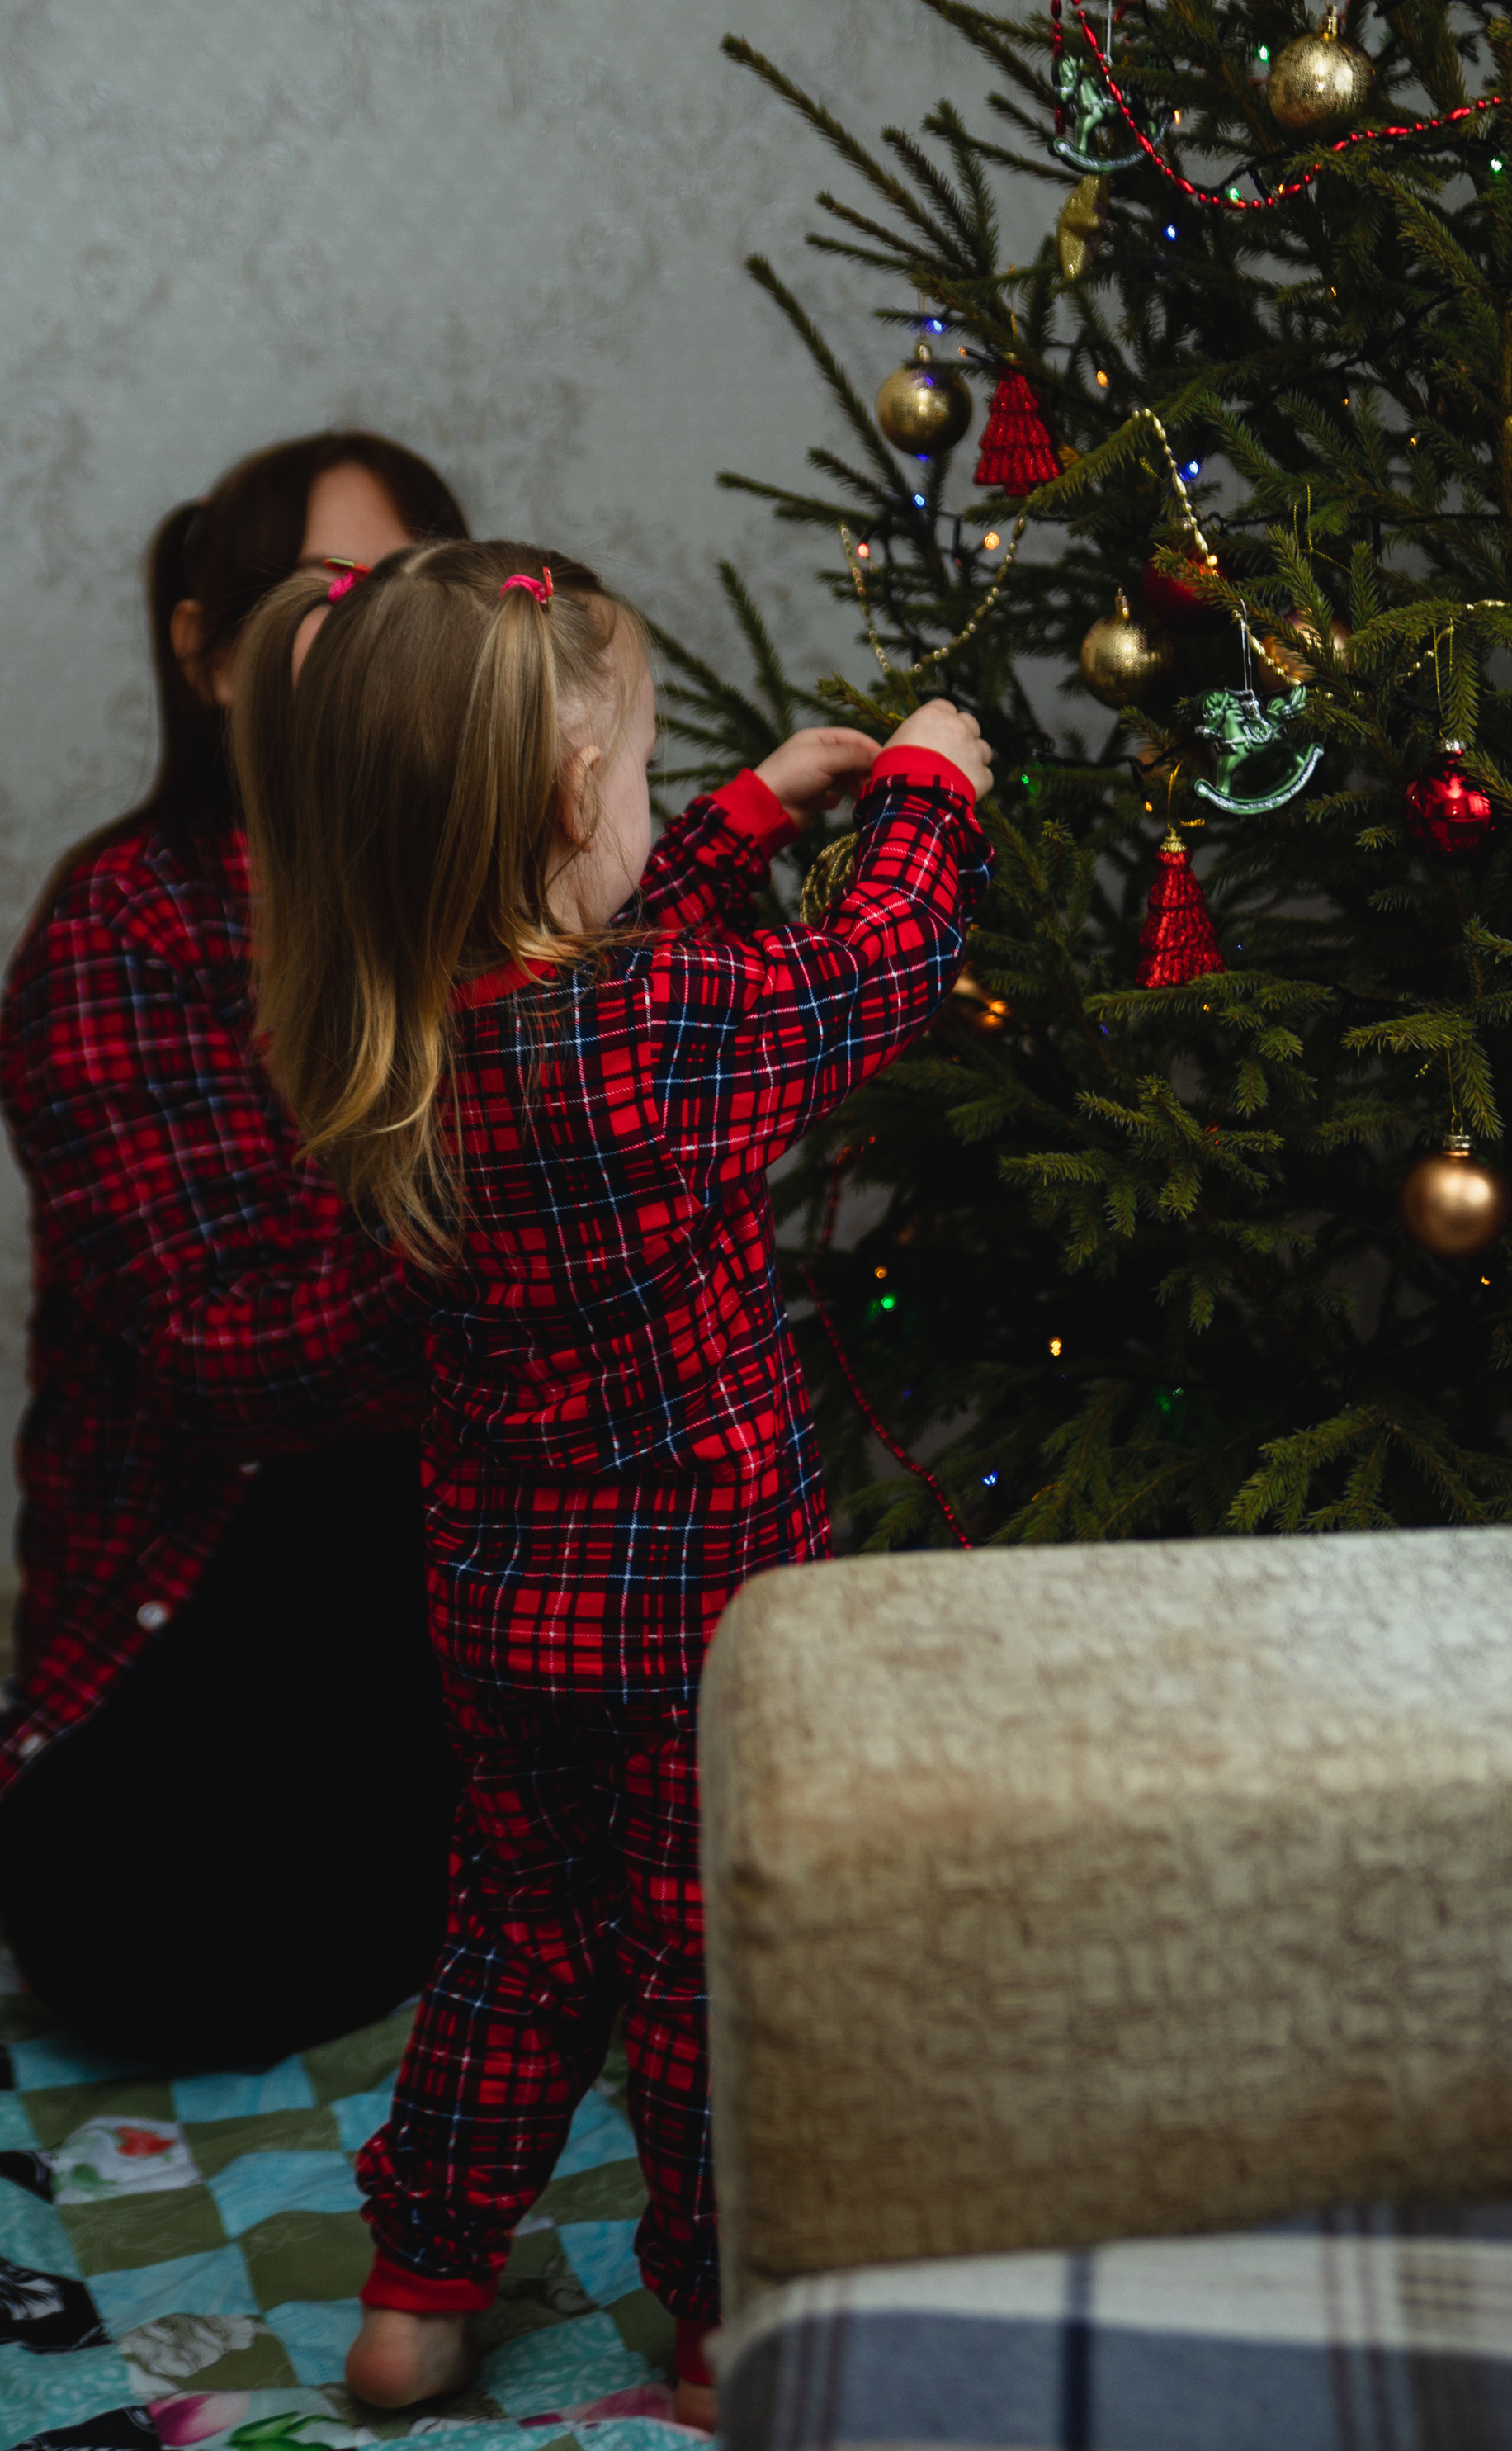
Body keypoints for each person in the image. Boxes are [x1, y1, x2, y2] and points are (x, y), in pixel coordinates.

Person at [230, 536, 993, 2420]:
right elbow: (869, 971)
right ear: (574, 794)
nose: (658, 809)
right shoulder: (656, 1039)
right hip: (696, 1618)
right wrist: (925, 788)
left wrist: (738, 811)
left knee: (514, 1929)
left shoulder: (391, 1033)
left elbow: (615, 939)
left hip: (504, 1603)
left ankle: (417, 2288)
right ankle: (725, 2314)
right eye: (644, 777)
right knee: (699, 1968)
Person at [0, 430, 471, 2072]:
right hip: (241, 1570)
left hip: (496, 1550)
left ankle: (523, 1871)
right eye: (325, 605)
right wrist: (515, 1225)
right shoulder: (131, 928)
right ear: (204, 653)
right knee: (138, 1946)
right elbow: (234, 1363)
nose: (376, 645)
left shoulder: (497, 886)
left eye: (410, 604)